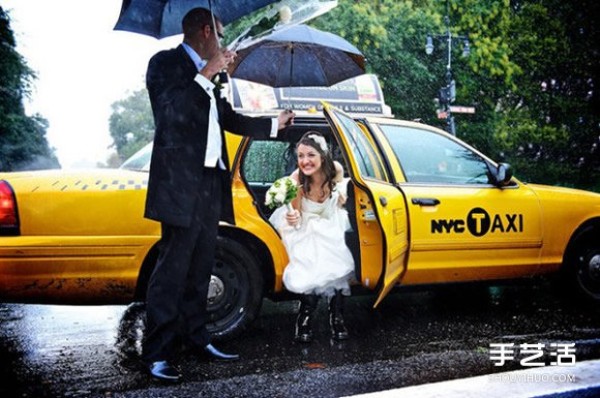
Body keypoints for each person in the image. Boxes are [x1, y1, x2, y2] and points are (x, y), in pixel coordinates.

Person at [143, 7, 295, 382]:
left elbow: (224, 119)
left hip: (212, 181)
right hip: (179, 183)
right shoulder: (164, 64)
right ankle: (157, 353)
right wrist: (207, 72)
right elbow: (171, 115)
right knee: (172, 270)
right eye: (221, 33)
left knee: (201, 265)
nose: (224, 41)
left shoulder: (212, 77)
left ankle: (197, 338)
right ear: (205, 30)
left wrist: (273, 124)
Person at [269, 131, 355, 343]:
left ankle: (337, 316)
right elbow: (297, 216)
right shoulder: (297, 179)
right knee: (316, 254)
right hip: (304, 224)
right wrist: (292, 218)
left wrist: (341, 198)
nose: (304, 161)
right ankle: (305, 316)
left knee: (339, 250)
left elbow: (339, 195)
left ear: (323, 156)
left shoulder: (335, 169)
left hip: (331, 218)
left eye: (310, 155)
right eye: (300, 156)